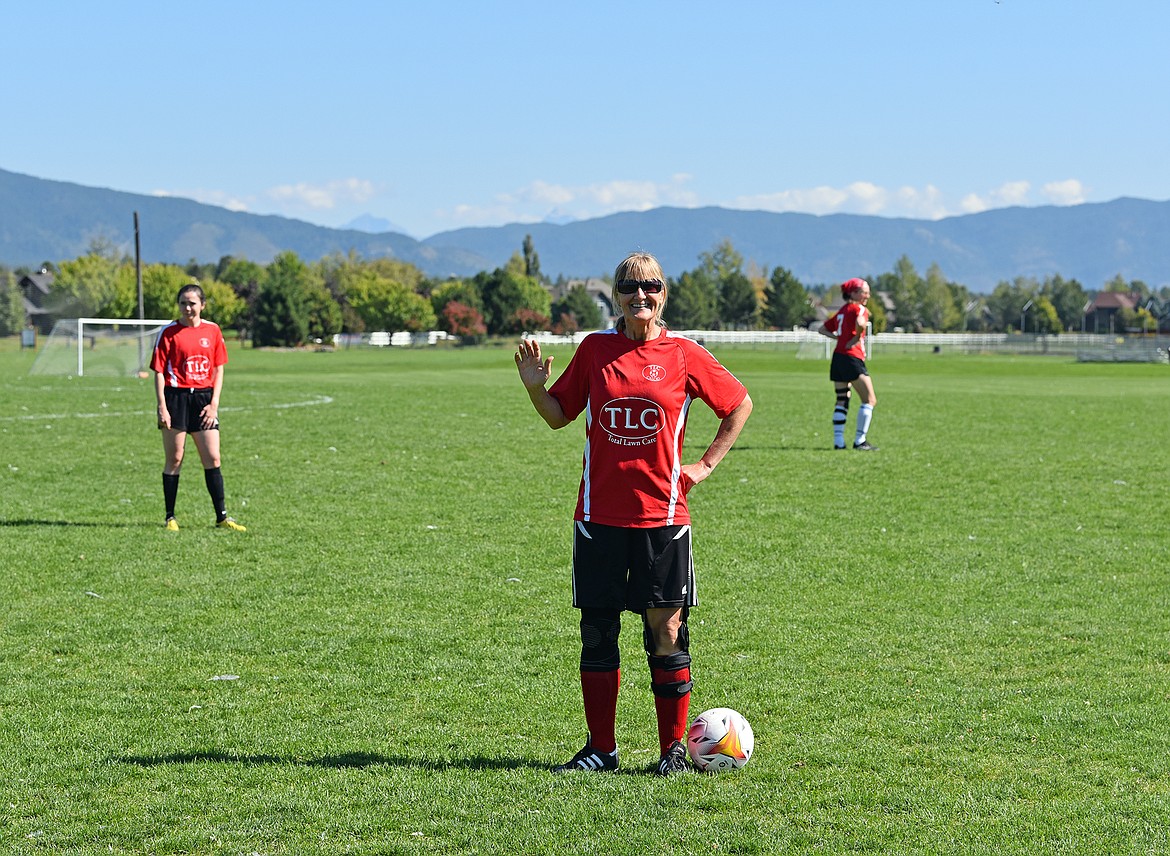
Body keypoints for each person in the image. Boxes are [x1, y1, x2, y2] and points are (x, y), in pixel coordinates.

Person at [515, 251, 752, 776]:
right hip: (598, 517)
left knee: (667, 629)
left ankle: (672, 751)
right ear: (617, 296)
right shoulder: (595, 350)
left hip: (664, 519)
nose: (639, 296)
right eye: (629, 288)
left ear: (663, 294)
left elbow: (738, 404)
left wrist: (705, 466)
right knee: (598, 632)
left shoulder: (685, 354)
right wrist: (535, 387)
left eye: (650, 287)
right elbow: (559, 416)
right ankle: (601, 749)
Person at [151, 281, 246, 531]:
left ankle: (222, 517)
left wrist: (214, 404)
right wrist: (162, 406)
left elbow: (218, 368)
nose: (187, 308)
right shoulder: (168, 332)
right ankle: (170, 516)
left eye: (192, 303)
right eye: (183, 303)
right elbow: (159, 372)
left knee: (213, 457)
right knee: (175, 458)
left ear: (202, 305)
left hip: (203, 399)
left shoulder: (213, 331)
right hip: (176, 398)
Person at [818, 277, 878, 451]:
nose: (867, 295)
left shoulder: (843, 310)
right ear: (853, 293)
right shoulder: (859, 308)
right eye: (864, 291)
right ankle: (860, 441)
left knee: (842, 399)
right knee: (870, 400)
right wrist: (856, 337)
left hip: (838, 358)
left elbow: (823, 329)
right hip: (852, 358)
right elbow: (861, 322)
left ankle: (839, 442)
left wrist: (839, 337)